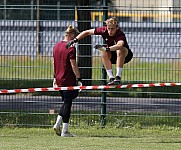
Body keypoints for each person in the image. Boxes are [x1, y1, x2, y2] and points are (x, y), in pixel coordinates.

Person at [66, 17, 133, 85]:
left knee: (119, 50)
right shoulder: (103, 30)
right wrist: (74, 40)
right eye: (108, 28)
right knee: (102, 51)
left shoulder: (120, 34)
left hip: (125, 56)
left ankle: (118, 77)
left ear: (117, 28)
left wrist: (107, 49)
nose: (110, 31)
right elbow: (86, 32)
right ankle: (111, 78)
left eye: (112, 29)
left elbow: (120, 45)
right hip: (112, 56)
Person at [53, 25, 82, 137]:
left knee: (66, 101)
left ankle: (57, 123)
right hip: (68, 79)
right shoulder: (71, 48)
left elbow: (53, 63)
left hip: (59, 78)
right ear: (72, 35)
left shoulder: (56, 46)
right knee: (68, 103)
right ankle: (64, 130)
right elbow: (73, 65)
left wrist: (54, 77)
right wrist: (79, 78)